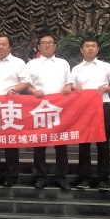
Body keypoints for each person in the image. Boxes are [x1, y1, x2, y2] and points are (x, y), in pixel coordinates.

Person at [71, 35, 110, 192]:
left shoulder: (106, 66)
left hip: (102, 107)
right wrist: (74, 88)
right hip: (84, 109)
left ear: (98, 49)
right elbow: (71, 88)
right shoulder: (76, 69)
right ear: (81, 50)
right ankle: (85, 178)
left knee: (103, 144)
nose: (90, 49)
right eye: (87, 46)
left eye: (93, 46)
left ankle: (103, 179)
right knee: (84, 144)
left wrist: (106, 88)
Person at [26, 32, 73, 191]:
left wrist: (68, 87)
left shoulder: (63, 63)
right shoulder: (32, 64)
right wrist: (33, 91)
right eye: (43, 43)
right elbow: (27, 85)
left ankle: (61, 177)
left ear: (55, 45)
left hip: (60, 109)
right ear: (38, 47)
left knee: (61, 145)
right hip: (40, 107)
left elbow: (70, 83)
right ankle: (41, 177)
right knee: (39, 144)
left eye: (50, 42)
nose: (47, 45)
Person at [0, 34, 30, 187]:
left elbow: (26, 82)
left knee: (11, 143)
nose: (0, 46)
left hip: (10, 107)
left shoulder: (18, 63)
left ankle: (11, 175)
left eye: (4, 44)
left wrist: (14, 90)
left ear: (10, 47)